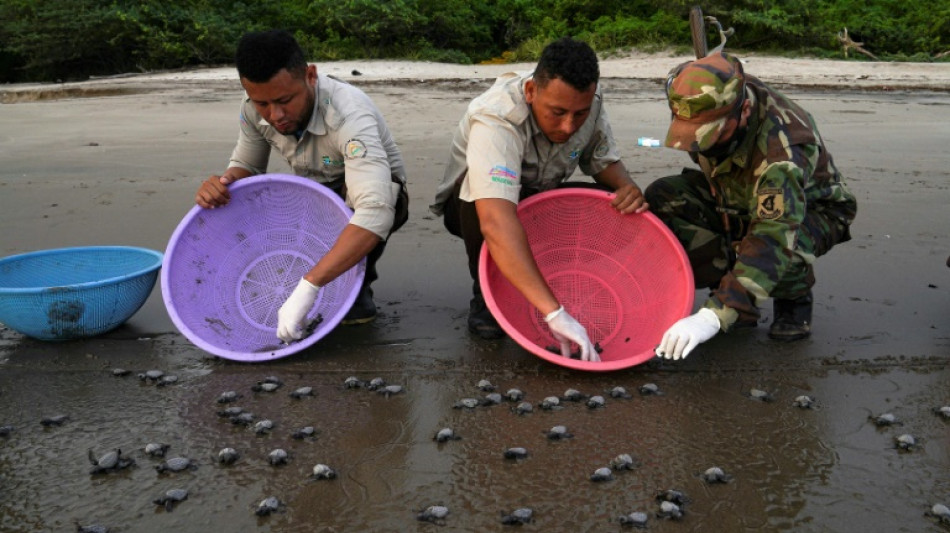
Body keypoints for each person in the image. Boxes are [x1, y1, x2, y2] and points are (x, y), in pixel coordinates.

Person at [430, 37, 649, 362]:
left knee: (614, 204)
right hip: (474, 209)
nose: (568, 126)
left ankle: (558, 280)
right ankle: (488, 292)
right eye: (557, 113)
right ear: (531, 91)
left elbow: (601, 160)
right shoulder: (496, 116)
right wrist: (554, 314)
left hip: (543, 199)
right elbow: (495, 220)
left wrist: (627, 188)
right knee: (482, 201)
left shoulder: (589, 100)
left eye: (579, 114)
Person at [195, 30, 409, 342]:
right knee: (249, 197)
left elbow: (376, 211)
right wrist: (222, 184)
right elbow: (248, 168)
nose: (276, 115)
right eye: (263, 103)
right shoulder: (253, 109)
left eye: (285, 101)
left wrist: (308, 287)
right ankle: (317, 271)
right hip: (310, 190)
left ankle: (356, 282)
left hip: (370, 189)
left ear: (310, 76)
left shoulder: (348, 114)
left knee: (365, 204)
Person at [649, 51, 857, 360]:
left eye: (711, 134)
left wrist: (713, 316)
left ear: (744, 111)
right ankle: (732, 288)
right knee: (665, 197)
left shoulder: (781, 155)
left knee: (782, 251)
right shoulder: (699, 91)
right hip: (736, 192)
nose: (700, 145)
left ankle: (793, 300)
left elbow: (772, 238)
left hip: (811, 211)